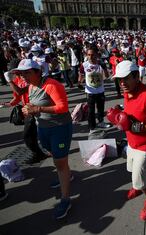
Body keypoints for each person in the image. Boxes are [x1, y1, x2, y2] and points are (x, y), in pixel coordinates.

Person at [14, 59, 73, 219]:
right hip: (43, 128)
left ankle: (66, 199)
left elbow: (63, 107)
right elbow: (31, 103)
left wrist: (38, 108)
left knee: (60, 162)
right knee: (55, 157)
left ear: (37, 72)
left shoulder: (52, 84)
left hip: (59, 129)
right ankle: (67, 173)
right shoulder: (32, 86)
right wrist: (28, 109)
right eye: (21, 73)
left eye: (27, 72)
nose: (23, 76)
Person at [109, 60, 146, 220]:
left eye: (125, 78)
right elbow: (131, 113)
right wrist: (119, 112)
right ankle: (138, 186)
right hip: (131, 143)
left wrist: (139, 127)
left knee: (140, 180)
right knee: (133, 171)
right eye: (119, 79)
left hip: (145, 146)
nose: (122, 83)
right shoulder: (127, 91)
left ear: (137, 76)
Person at [79, 47, 111, 132]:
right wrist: (79, 83)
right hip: (90, 92)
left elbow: (107, 76)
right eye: (88, 55)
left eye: (92, 55)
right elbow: (81, 75)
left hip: (100, 90)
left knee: (100, 108)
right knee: (91, 111)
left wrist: (104, 68)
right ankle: (92, 127)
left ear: (96, 55)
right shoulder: (84, 65)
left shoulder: (101, 63)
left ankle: (101, 122)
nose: (90, 57)